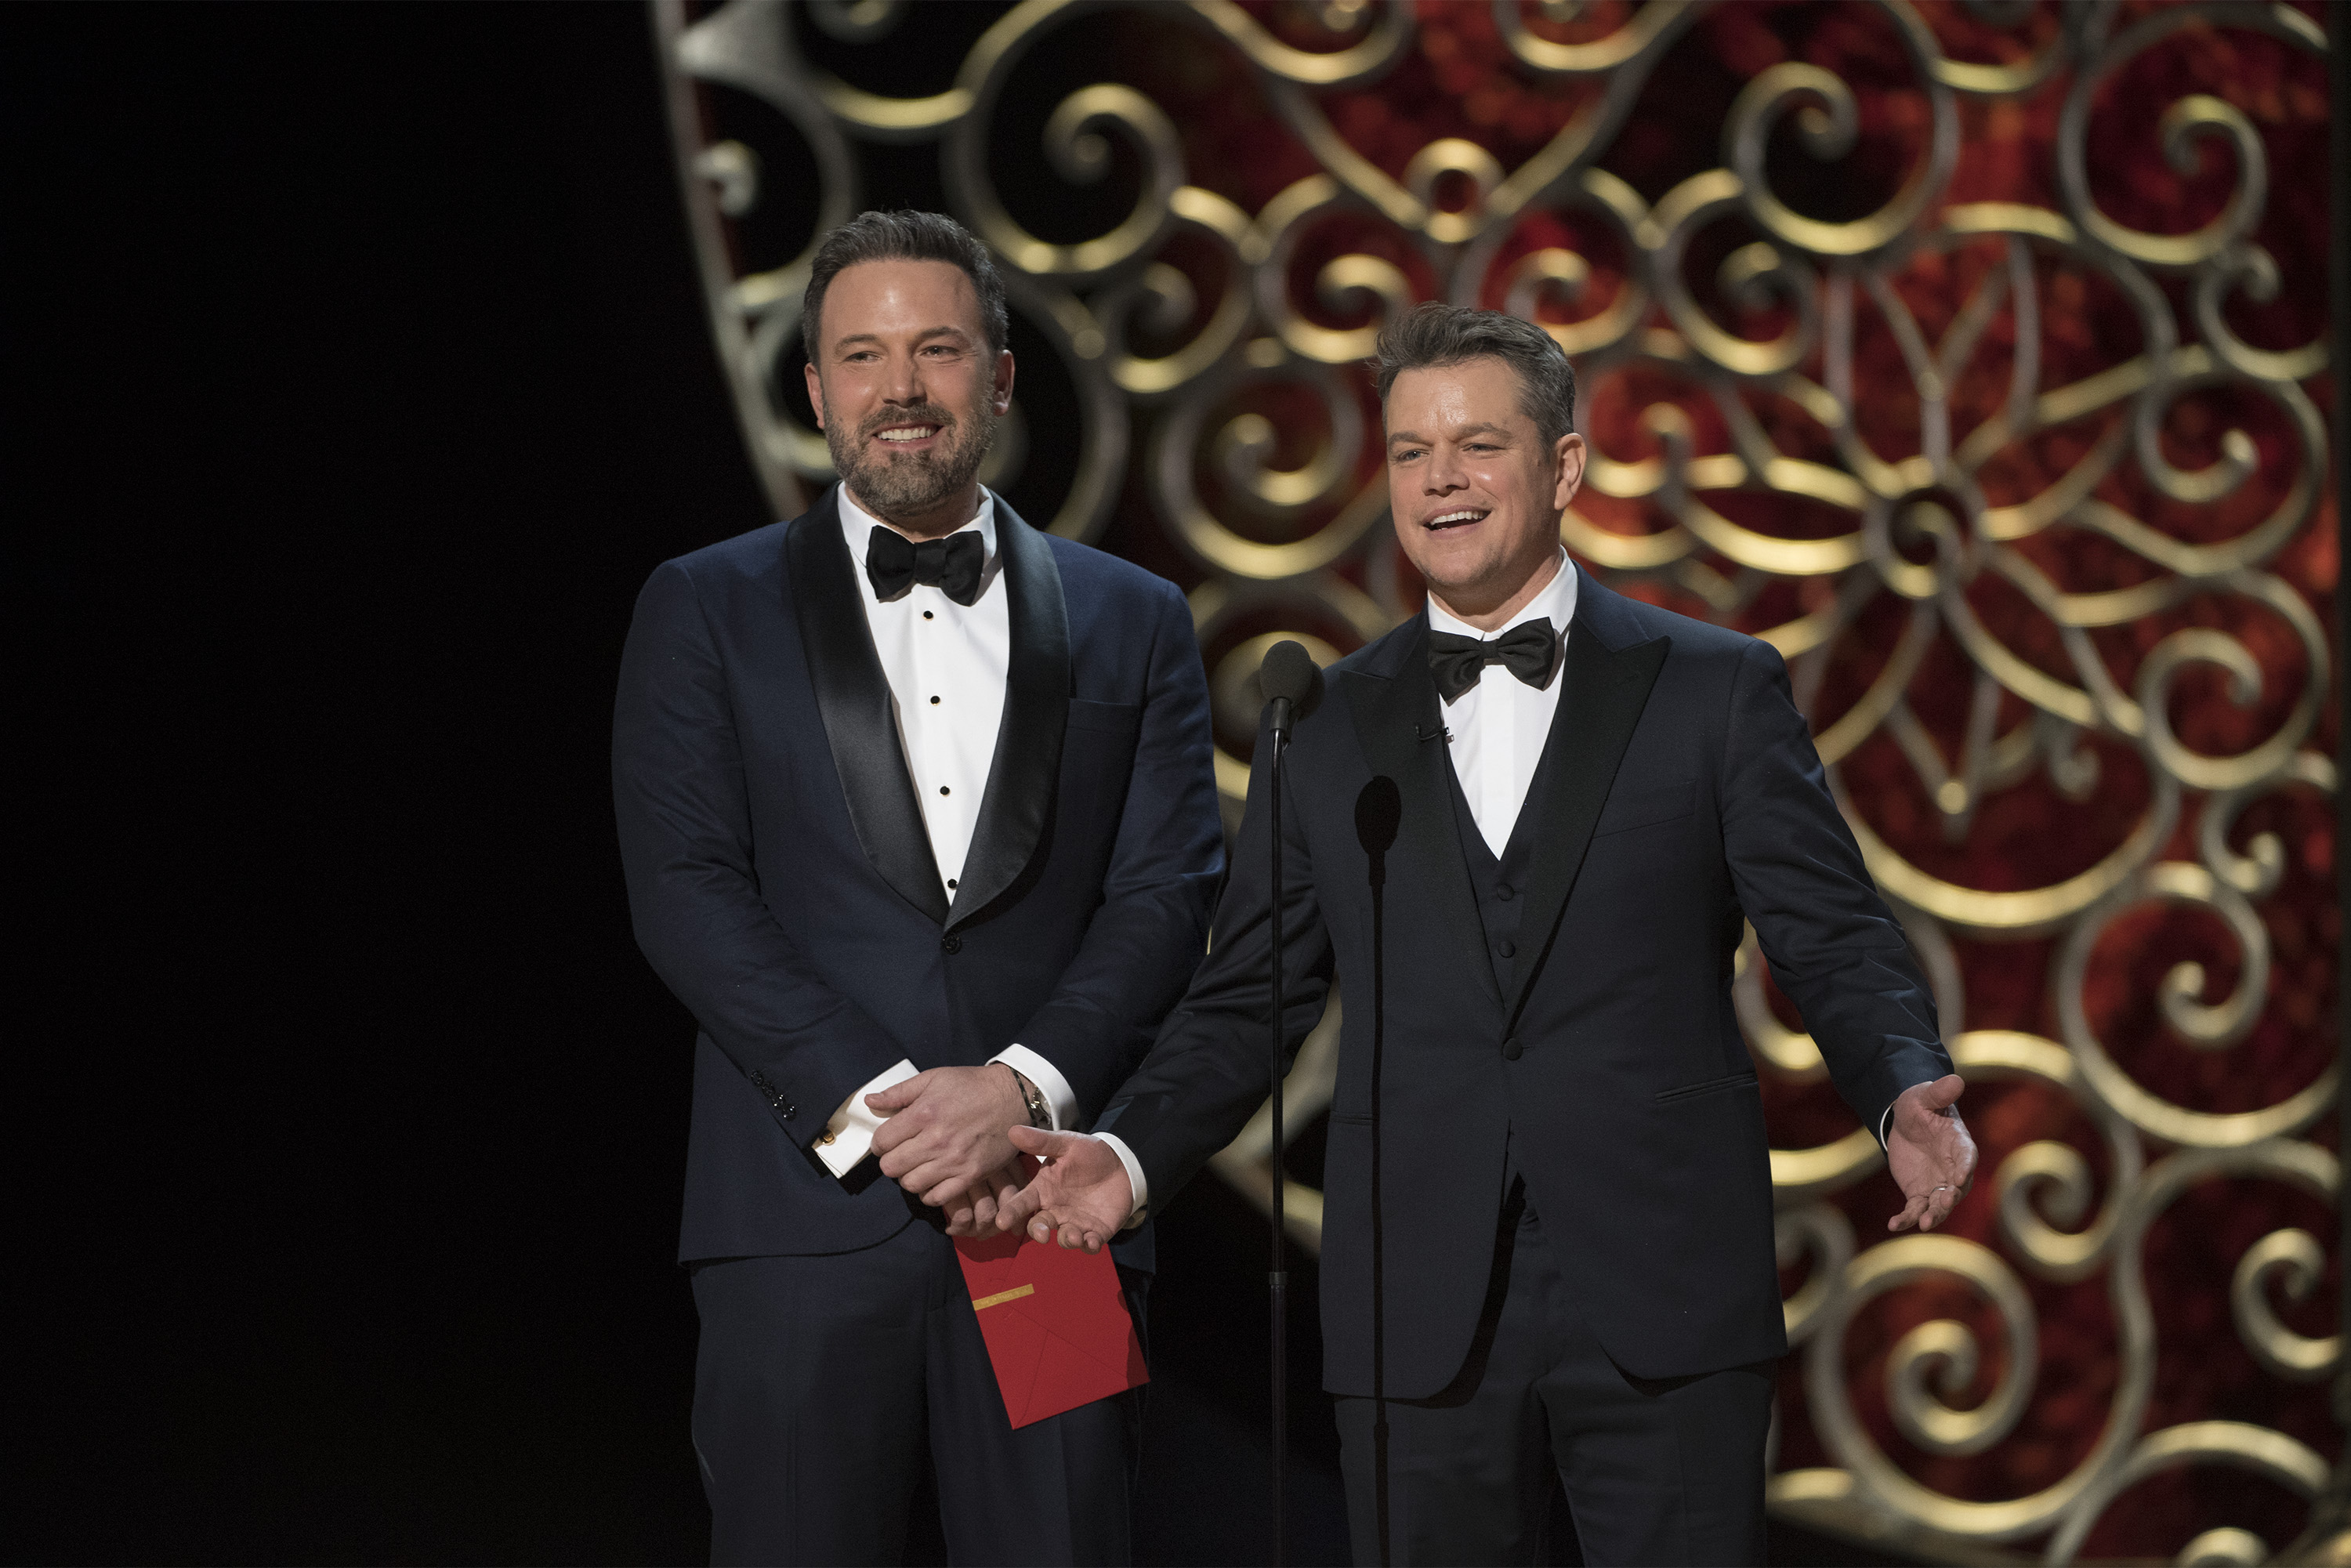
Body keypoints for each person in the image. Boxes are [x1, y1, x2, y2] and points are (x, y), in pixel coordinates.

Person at [1000, 303, 1980, 1566]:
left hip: (1667, 1291)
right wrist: (1128, 1159)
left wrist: (1901, 1083)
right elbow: (1249, 999)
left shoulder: (1712, 688)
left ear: (1564, 467)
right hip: (1416, 1303)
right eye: (1411, 452)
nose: (1441, 480)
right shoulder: (1329, 724)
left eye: (1477, 445)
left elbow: (1833, 933)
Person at [612, 208, 1223, 1566]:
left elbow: (1169, 892)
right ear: (818, 388)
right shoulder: (703, 607)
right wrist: (895, 1117)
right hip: (802, 1221)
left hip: (1046, 1209)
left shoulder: (1134, 616)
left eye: (938, 349)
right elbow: (688, 891)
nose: (902, 388)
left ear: (999, 376)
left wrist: (1015, 1092)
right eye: (865, 355)